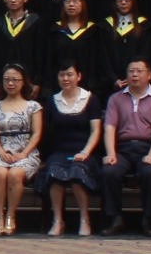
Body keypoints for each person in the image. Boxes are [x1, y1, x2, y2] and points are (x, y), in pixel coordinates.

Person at [100, 58, 151, 236]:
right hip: (123, 148)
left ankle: (148, 218)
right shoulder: (116, 98)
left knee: (150, 172)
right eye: (131, 71)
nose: (135, 75)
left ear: (149, 75)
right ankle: (115, 218)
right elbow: (109, 128)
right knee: (109, 171)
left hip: (147, 147)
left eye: (139, 71)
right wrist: (111, 153)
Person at [34, 60, 103, 237]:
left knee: (77, 171)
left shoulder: (91, 99)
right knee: (54, 171)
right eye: (62, 75)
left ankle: (84, 219)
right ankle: (58, 220)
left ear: (79, 77)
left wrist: (85, 152)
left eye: (70, 74)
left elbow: (96, 131)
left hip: (85, 152)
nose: (65, 78)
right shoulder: (52, 101)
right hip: (60, 151)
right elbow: (47, 131)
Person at [0, 64, 43, 236]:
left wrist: (23, 154)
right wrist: (1, 153)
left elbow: (37, 133)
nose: (11, 83)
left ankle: (11, 215)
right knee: (0, 173)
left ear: (23, 81)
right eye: (7, 80)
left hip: (26, 152)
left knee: (15, 174)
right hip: (3, 151)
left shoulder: (33, 106)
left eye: (15, 80)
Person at [43, 0, 115, 98]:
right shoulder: (56, 30)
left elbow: (98, 60)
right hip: (60, 86)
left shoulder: (93, 31)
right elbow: (49, 60)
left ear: (83, 4)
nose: (71, 4)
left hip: (87, 86)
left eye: (75, 1)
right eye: (67, 1)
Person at [102, 0, 151, 92]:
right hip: (112, 85)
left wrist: (134, 76)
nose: (123, 3)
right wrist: (113, 79)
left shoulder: (144, 27)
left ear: (134, 1)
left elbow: (146, 54)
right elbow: (103, 57)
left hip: (138, 82)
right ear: (114, 2)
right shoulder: (105, 27)